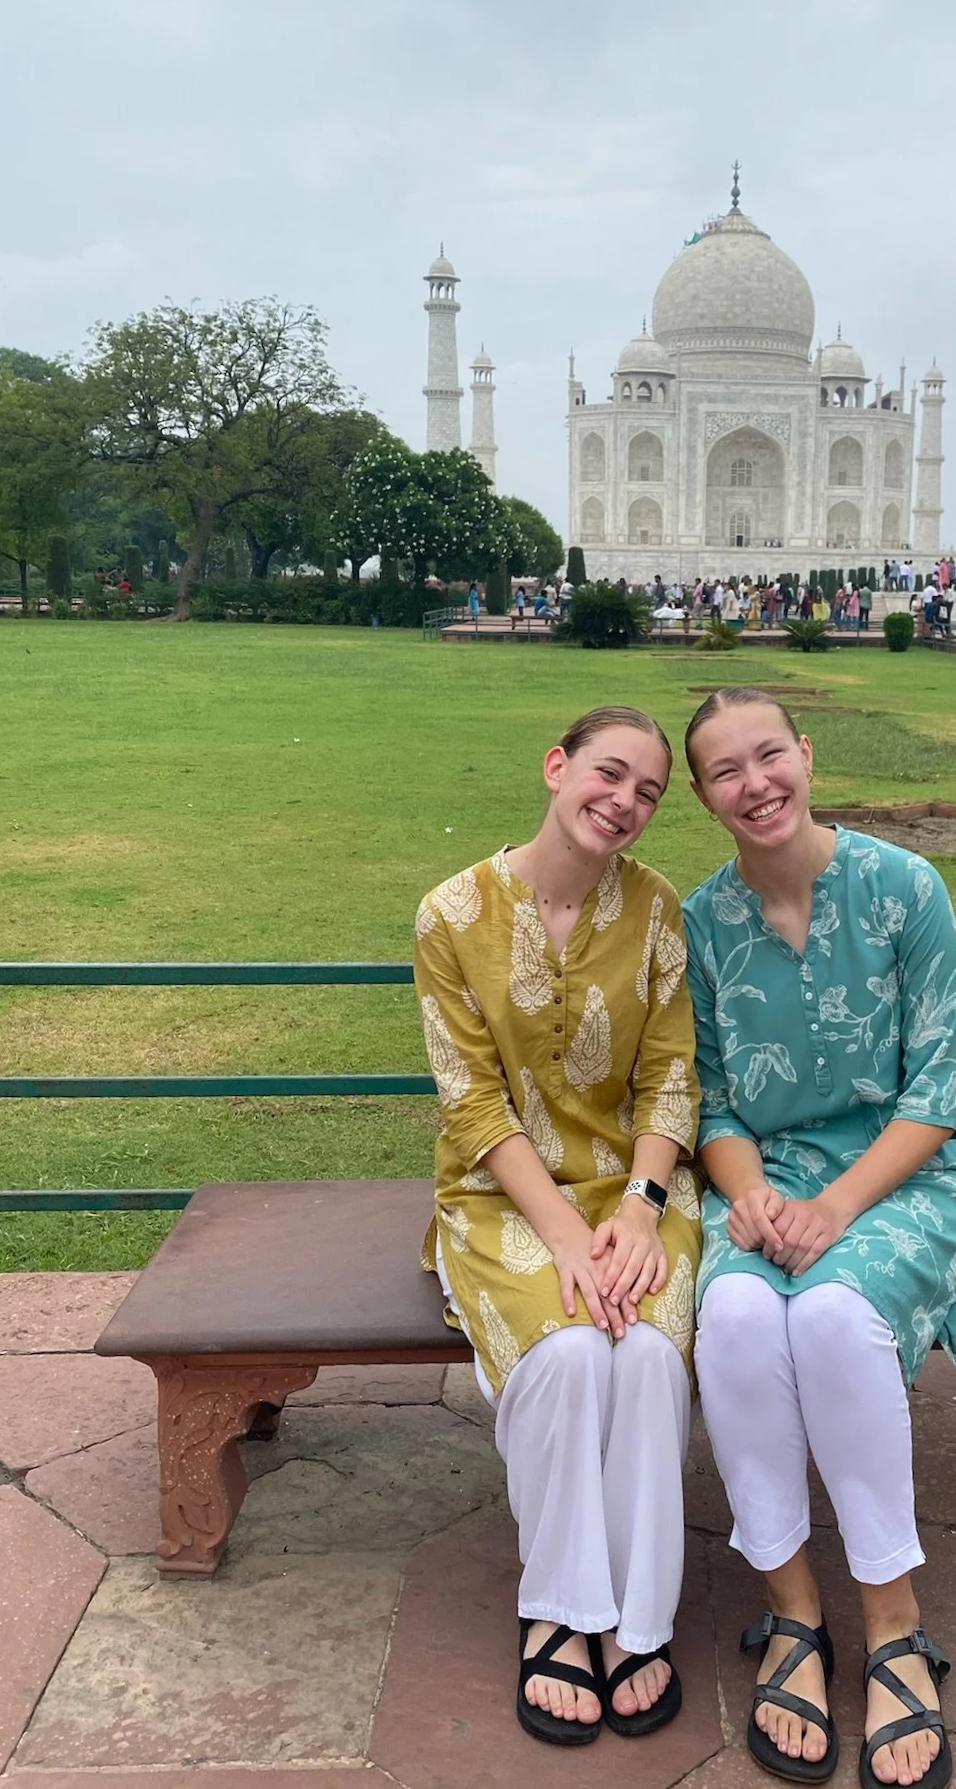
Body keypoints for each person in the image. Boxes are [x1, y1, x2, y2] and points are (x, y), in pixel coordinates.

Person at [681, 689, 956, 1789]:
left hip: (906, 1174)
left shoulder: (902, 888)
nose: (754, 782)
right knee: (729, 1314)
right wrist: (748, 1193)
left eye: (769, 754)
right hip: (770, 1182)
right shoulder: (703, 921)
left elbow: (939, 1087)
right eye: (725, 768)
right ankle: (791, 1614)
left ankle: (895, 1620)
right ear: (701, 794)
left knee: (828, 1313)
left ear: (807, 756)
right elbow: (716, 1102)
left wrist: (836, 1210)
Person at [414, 707, 702, 1746]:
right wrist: (568, 1235)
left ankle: (638, 1618)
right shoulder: (451, 914)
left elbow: (673, 1074)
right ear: (556, 766)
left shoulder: (659, 909)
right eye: (607, 774)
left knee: (646, 1356)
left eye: (647, 792)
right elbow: (473, 1101)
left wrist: (636, 1208)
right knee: (573, 1350)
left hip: (636, 1195)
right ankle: (561, 1606)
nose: (623, 802)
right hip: (502, 1198)